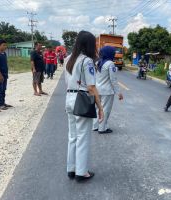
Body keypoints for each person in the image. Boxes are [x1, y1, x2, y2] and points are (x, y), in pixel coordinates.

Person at [64, 31, 104, 182]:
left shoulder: (68, 59)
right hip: (81, 99)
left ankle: (71, 169)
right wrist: (100, 107)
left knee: (72, 136)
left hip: (69, 98)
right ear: (89, 44)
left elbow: (67, 84)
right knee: (83, 137)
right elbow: (92, 87)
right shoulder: (86, 61)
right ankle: (82, 172)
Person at [92, 46, 124, 134]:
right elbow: (113, 80)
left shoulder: (98, 62)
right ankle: (102, 128)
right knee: (105, 109)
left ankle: (95, 126)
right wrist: (119, 93)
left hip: (97, 90)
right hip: (107, 91)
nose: (114, 54)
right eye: (113, 52)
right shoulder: (110, 64)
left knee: (97, 108)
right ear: (110, 53)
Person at [0, 39, 13, 111]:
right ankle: (0, 105)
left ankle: (3, 103)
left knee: (4, 89)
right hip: (0, 75)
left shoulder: (4, 54)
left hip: (5, 74)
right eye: (3, 45)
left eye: (5, 45)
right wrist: (0, 75)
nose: (5, 46)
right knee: (0, 90)